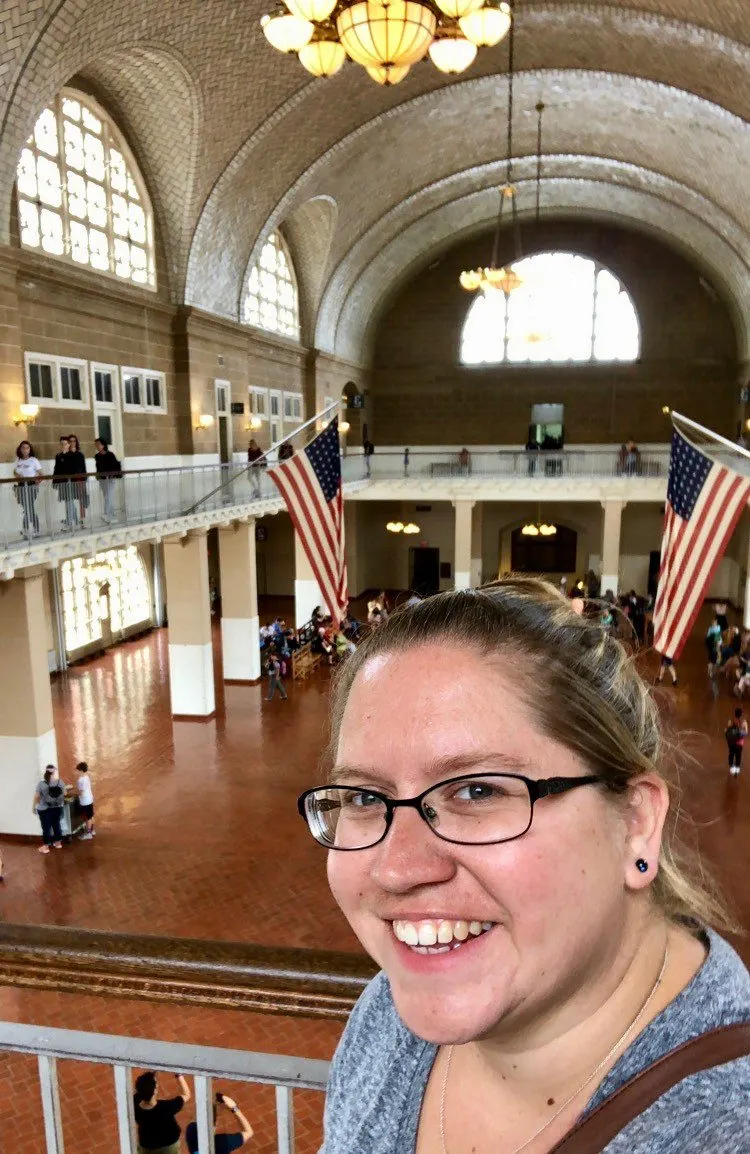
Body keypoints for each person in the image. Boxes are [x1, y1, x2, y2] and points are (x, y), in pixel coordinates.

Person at [301, 579, 749, 1154]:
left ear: (636, 823)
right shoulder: (385, 1015)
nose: (398, 869)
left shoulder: (725, 1127)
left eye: (478, 790)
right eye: (365, 798)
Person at [133, 1071, 190, 1154]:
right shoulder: (167, 1107)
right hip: (169, 1144)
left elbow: (142, 1090)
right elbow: (187, 1094)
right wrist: (179, 1075)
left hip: (147, 1145)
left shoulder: (134, 1104)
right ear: (155, 1091)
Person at [185, 1092, 254, 1153]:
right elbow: (249, 1132)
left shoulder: (191, 1135)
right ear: (214, 1128)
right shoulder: (221, 1144)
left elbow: (194, 1123)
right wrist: (234, 1108)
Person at [32, 766, 67, 853]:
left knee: (46, 828)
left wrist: (33, 806)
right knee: (56, 825)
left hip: (44, 809)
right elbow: (65, 793)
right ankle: (58, 843)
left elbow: (37, 796)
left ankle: (46, 847)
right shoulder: (60, 782)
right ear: (54, 772)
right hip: (57, 807)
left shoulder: (41, 784)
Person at [13, 440, 42, 537]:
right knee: (26, 508)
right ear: (20, 449)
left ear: (30, 449)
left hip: (30, 487)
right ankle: (25, 529)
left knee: (30, 507)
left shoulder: (33, 460)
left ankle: (36, 529)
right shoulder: (18, 460)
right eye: (23, 448)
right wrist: (17, 475)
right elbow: (15, 471)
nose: (25, 450)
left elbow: (42, 474)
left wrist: (37, 483)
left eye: (27, 448)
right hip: (21, 487)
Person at [94, 438, 121, 522]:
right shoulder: (97, 456)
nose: (97, 446)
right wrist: (98, 476)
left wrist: (112, 475)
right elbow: (98, 467)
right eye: (96, 445)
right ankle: (111, 514)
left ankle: (107, 514)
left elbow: (115, 466)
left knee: (108, 496)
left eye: (98, 444)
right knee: (107, 496)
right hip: (102, 479)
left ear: (103, 445)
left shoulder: (110, 455)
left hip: (110, 479)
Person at [67, 434, 89, 524]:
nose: (72, 443)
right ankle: (73, 519)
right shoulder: (66, 454)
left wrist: (85, 478)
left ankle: (82, 518)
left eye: (74, 441)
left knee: (82, 499)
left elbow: (83, 467)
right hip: (70, 480)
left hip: (80, 479)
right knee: (69, 500)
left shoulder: (80, 454)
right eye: (70, 441)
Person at [725, 707, 748, 777]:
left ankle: (732, 769)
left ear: (735, 713)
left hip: (731, 743)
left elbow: (727, 732)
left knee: (731, 755)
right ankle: (736, 772)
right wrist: (740, 733)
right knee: (738, 757)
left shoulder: (731, 721)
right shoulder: (744, 722)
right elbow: (746, 732)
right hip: (739, 743)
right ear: (741, 714)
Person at [75, 761, 95, 839]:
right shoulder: (86, 777)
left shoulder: (81, 780)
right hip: (89, 799)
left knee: (87, 818)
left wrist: (77, 794)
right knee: (90, 816)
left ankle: (88, 834)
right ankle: (92, 831)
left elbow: (81, 792)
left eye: (77, 770)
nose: (76, 772)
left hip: (85, 801)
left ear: (81, 770)